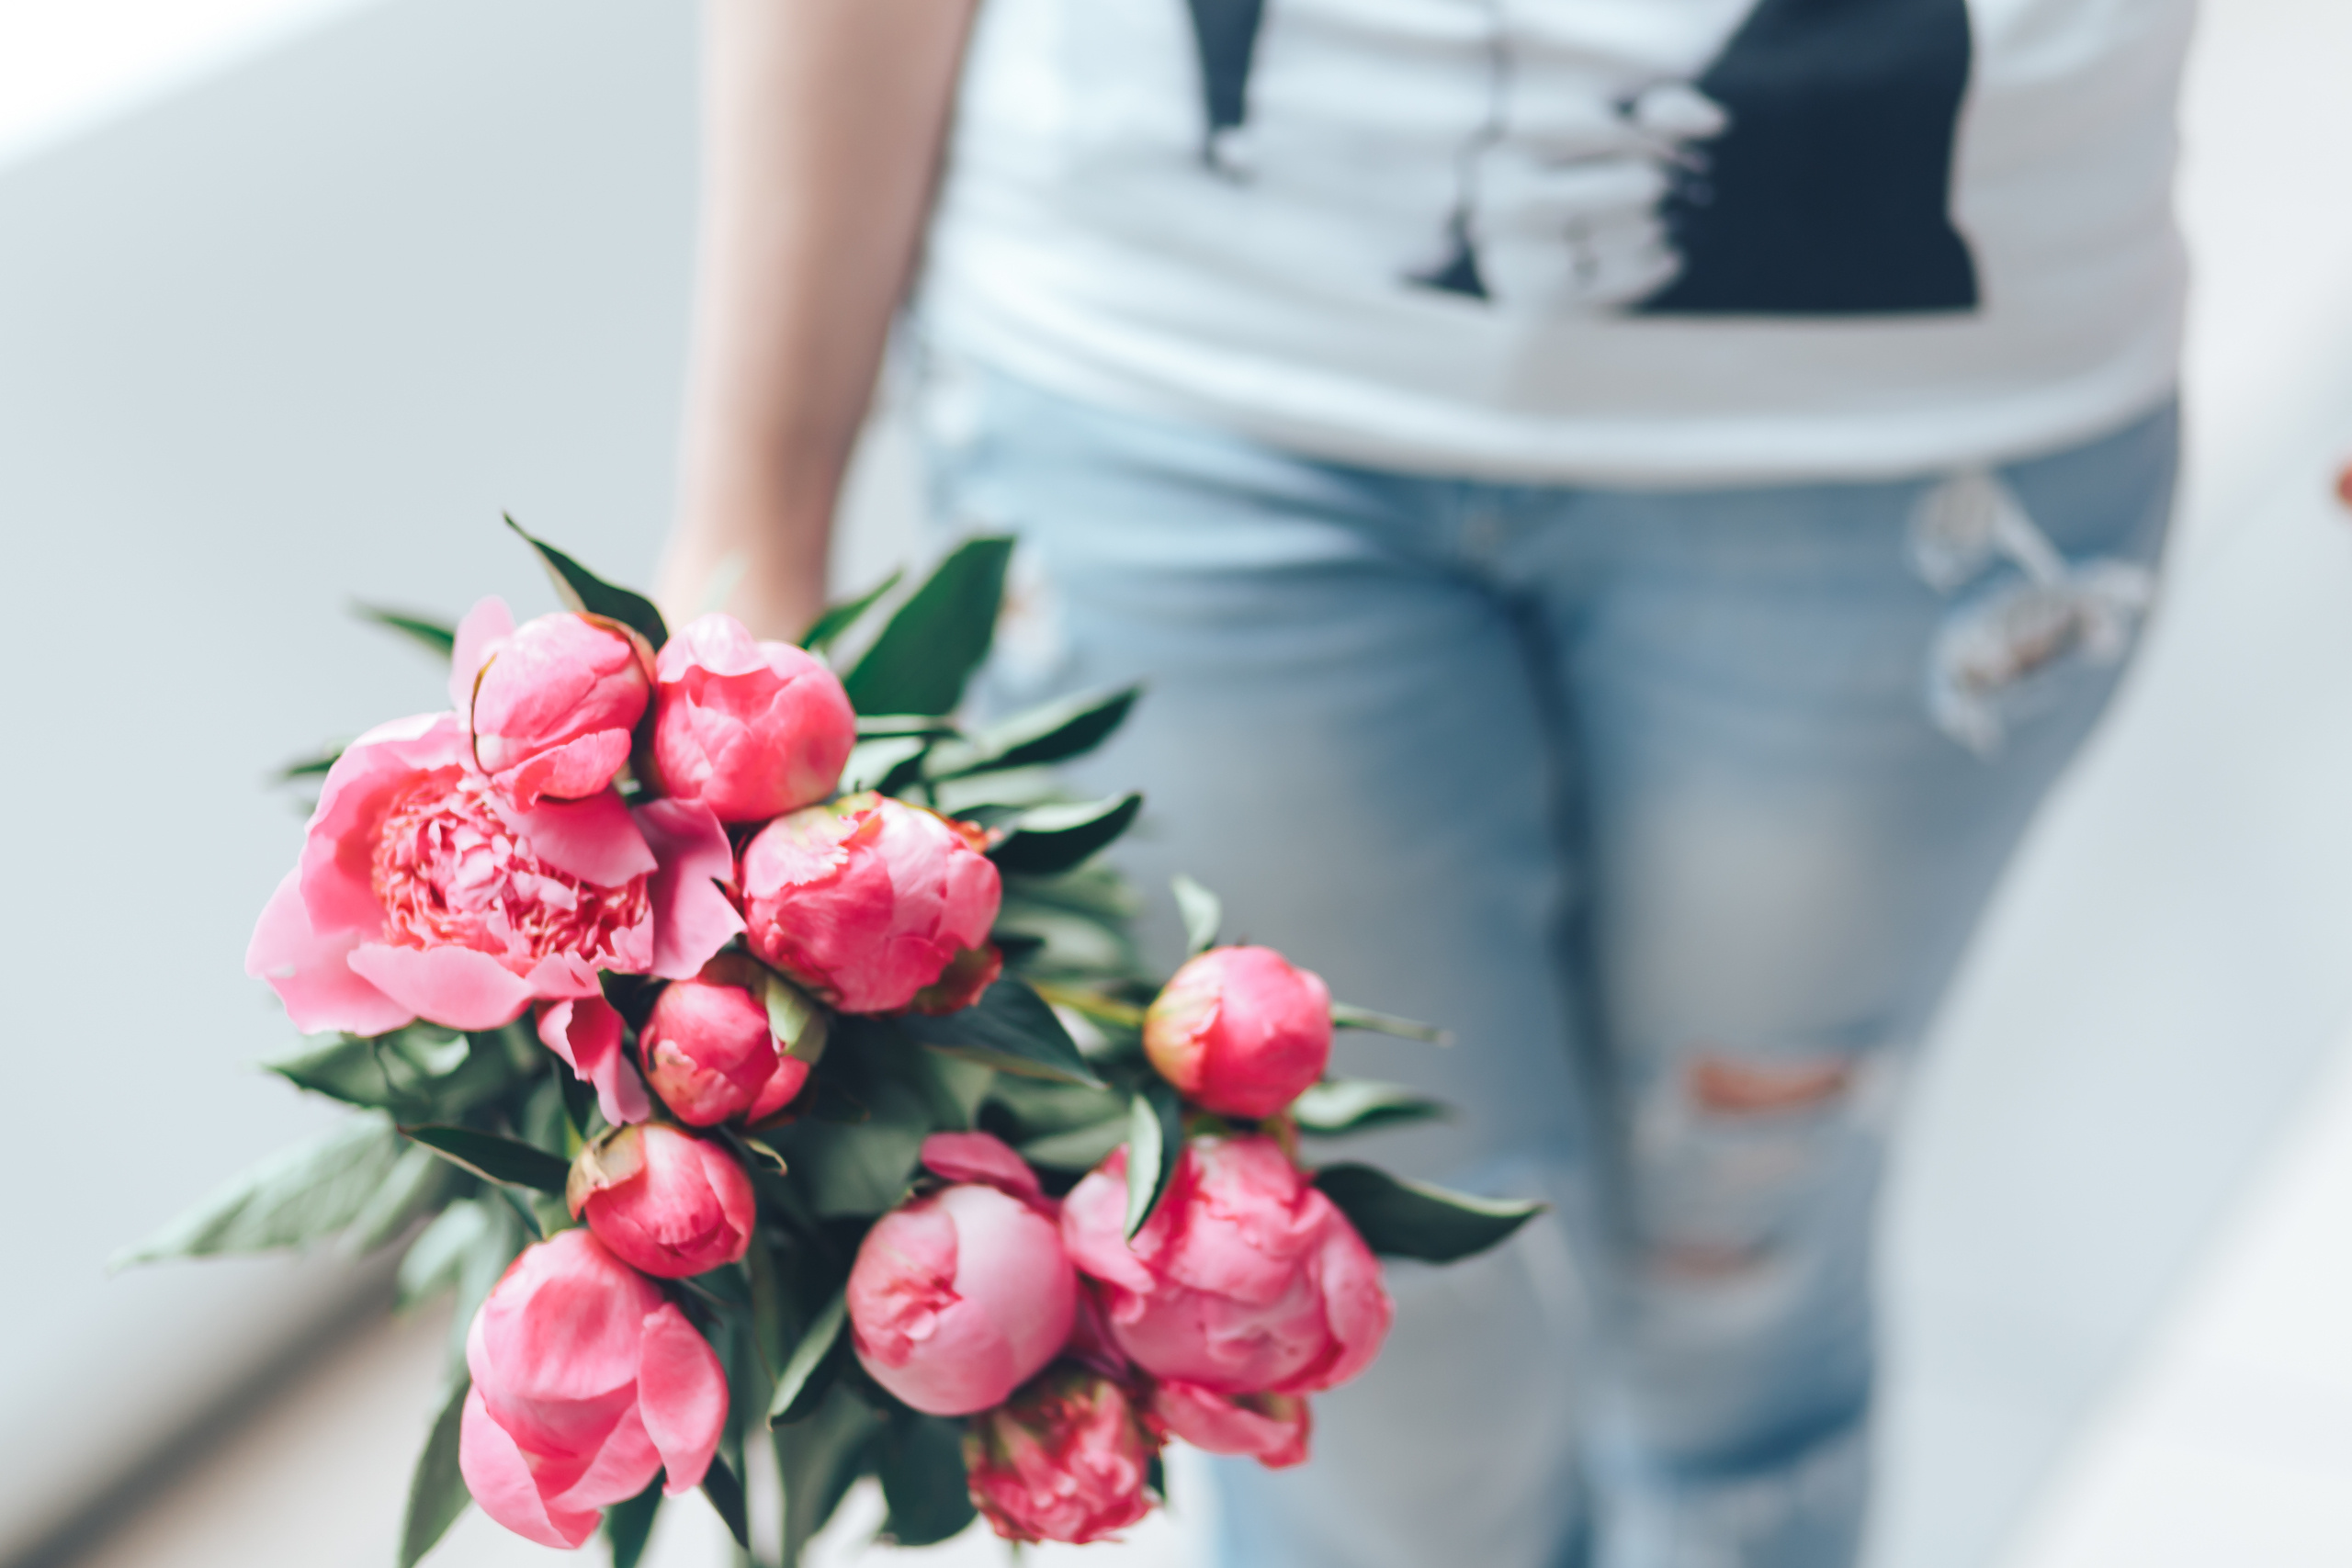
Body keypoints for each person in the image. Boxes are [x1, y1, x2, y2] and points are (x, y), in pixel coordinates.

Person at [656, 2, 2193, 1563]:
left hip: (1911, 407)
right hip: (1176, 383)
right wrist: (757, 527)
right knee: (1317, 1339)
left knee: (1740, 1265)